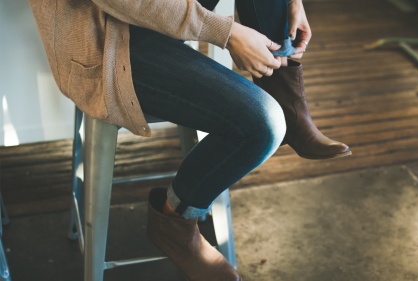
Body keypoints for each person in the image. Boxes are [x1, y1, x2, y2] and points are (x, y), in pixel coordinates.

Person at [29, 0, 350, 280]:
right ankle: (174, 222)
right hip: (105, 41)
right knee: (263, 125)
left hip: (155, 16)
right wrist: (226, 33)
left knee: (271, 120)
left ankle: (286, 93)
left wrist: (292, 2)